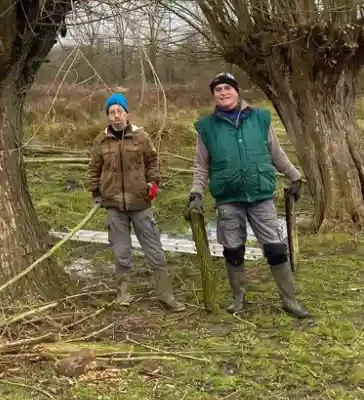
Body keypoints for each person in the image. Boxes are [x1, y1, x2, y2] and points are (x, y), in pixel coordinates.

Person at [186, 72, 311, 319]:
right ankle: (238, 298)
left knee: (276, 248)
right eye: (218, 89)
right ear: (214, 95)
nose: (223, 93)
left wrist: (295, 177)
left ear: (237, 91)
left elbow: (276, 153)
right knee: (233, 250)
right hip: (228, 199)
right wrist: (195, 194)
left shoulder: (260, 119)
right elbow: (201, 166)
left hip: (260, 196)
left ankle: (290, 301)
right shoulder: (207, 128)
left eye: (227, 88)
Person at [86, 92, 186, 312]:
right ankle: (123, 294)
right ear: (108, 116)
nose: (115, 115)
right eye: (111, 112)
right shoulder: (101, 140)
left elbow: (153, 161)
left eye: (119, 111)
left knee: (154, 250)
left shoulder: (141, 137)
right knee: (121, 253)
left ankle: (165, 295)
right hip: (113, 205)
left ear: (127, 113)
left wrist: (153, 182)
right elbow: (94, 168)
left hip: (140, 203)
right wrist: (95, 192)